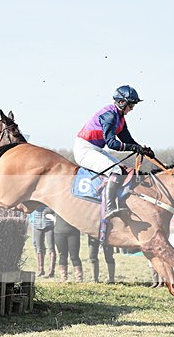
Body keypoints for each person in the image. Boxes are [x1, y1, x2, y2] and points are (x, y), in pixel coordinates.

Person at [74, 85, 155, 219]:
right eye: (131, 105)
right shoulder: (110, 116)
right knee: (115, 171)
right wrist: (134, 148)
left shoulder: (120, 117)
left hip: (96, 149)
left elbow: (127, 140)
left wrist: (142, 149)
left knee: (123, 170)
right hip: (84, 150)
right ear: (121, 102)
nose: (132, 109)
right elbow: (112, 144)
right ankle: (109, 208)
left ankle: (120, 202)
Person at [53, 212, 82, 282]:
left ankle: (79, 278)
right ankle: (63, 277)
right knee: (62, 255)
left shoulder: (75, 206)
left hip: (73, 233)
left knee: (74, 256)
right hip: (59, 232)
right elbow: (47, 212)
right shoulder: (57, 205)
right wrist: (55, 220)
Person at [30, 205, 56, 278]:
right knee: (38, 248)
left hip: (49, 224)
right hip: (37, 224)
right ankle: (40, 270)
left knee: (51, 248)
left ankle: (51, 271)